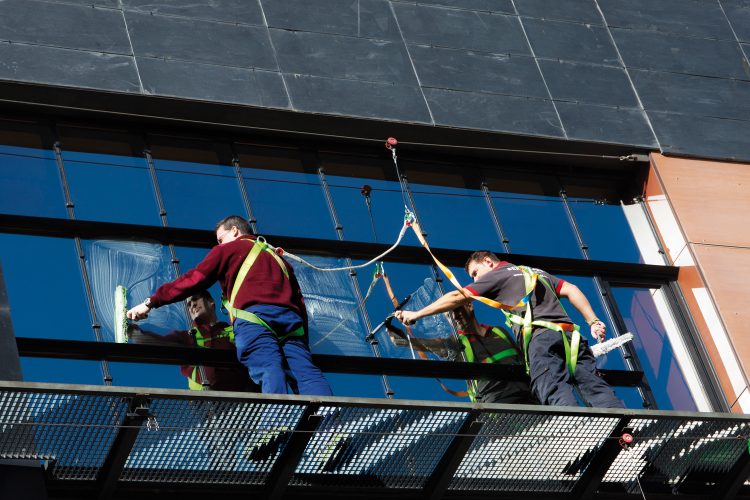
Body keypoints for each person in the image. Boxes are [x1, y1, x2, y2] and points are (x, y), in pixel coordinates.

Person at [127, 215, 333, 396]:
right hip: (291, 324)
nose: (219, 244)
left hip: (254, 319)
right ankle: (329, 423)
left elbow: (195, 278)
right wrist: (301, 339)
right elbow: (300, 301)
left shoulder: (229, 250)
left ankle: (275, 422)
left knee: (268, 365)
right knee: (306, 373)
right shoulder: (278, 258)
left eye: (220, 239)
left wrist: (151, 302)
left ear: (234, 231)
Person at [395, 251, 623, 408]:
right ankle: (624, 430)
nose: (475, 279)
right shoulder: (534, 272)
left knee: (551, 386)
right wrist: (593, 321)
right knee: (593, 384)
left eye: (475, 273)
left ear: (488, 262)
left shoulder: (498, 275)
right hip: (572, 337)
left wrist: (416, 314)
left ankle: (576, 435)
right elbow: (572, 289)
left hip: (541, 339)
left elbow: (457, 296)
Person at [387, 303, 537, 404]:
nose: (454, 316)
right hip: (498, 406)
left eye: (456, 310)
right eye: (448, 316)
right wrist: (403, 339)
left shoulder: (499, 331)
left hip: (530, 398)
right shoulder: (456, 343)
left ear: (469, 306)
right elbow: (427, 344)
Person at [128, 290, 259, 392]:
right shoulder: (187, 337)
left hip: (247, 399)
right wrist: (134, 333)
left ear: (211, 301)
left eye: (196, 299)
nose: (192, 305)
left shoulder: (234, 330)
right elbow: (159, 344)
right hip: (211, 408)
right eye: (189, 305)